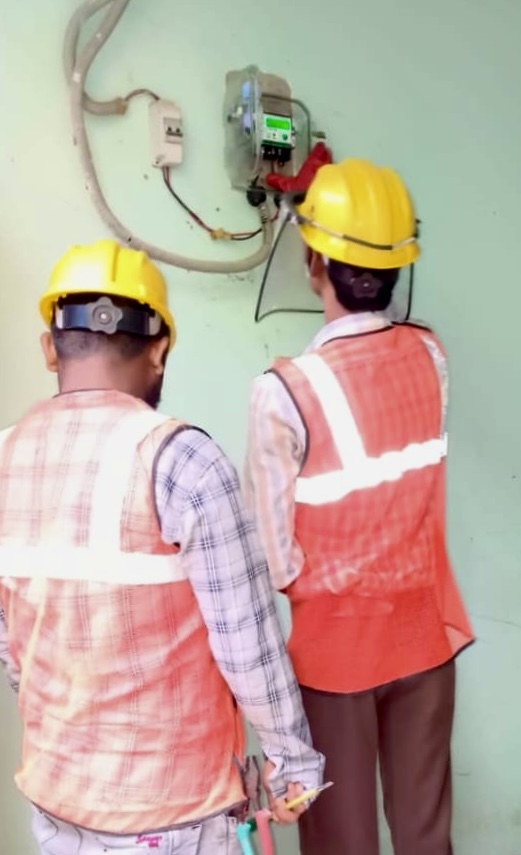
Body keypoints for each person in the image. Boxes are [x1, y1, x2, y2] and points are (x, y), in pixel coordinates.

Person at [0, 239, 324, 855]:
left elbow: (11, 643)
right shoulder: (182, 459)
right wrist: (294, 762)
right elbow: (246, 644)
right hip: (177, 815)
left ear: (50, 348)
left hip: (59, 803)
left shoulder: (4, 458)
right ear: (160, 348)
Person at [244, 158, 475, 855]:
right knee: (425, 834)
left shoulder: (283, 392)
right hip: (425, 637)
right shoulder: (430, 355)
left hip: (334, 655)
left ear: (314, 261)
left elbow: (275, 558)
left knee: (341, 842)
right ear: (398, 265)